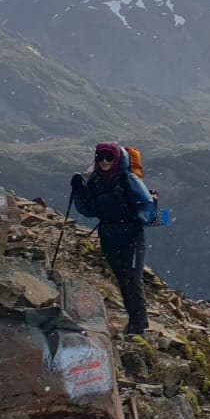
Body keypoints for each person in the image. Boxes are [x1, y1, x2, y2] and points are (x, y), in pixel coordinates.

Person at [70, 142, 157, 336]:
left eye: (109, 157)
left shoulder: (129, 179)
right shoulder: (96, 181)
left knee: (132, 280)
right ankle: (134, 323)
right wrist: (79, 192)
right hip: (109, 237)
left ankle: (139, 325)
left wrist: (138, 218)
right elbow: (89, 210)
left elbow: (147, 205)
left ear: (117, 158)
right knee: (122, 279)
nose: (104, 161)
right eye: (100, 157)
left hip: (132, 238)